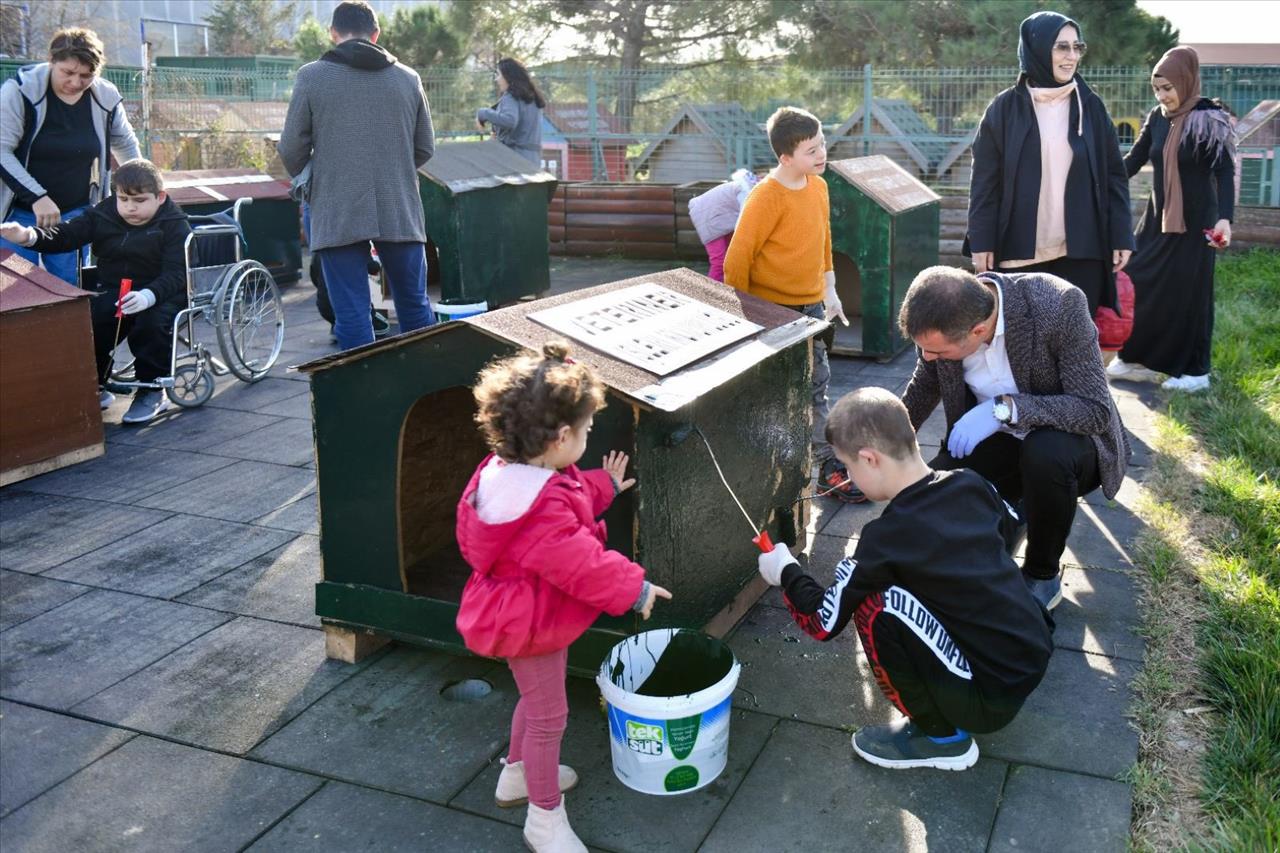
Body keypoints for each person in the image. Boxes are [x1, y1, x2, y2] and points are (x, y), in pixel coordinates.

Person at [757, 388, 1053, 771]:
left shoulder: (884, 540)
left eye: (848, 467)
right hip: (1028, 657)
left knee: (879, 605)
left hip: (987, 698)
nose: (848, 477)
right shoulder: (970, 483)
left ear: (869, 458)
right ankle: (964, 693)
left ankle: (940, 737)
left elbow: (823, 621)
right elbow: (1010, 531)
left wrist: (785, 571)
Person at [455, 341, 671, 853]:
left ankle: (515, 775)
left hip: (522, 610)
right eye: (587, 430)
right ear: (558, 438)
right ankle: (544, 820)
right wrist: (634, 587)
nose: (590, 436)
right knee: (550, 717)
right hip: (530, 622)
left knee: (535, 702)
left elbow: (564, 499)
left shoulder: (509, 472)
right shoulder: (539, 509)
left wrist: (605, 487)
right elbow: (580, 560)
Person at [898, 266, 1129, 610]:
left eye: (938, 353)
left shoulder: (1059, 303)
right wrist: (885, 442)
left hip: (1069, 442)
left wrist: (1005, 410)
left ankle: (1042, 573)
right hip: (1001, 442)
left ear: (978, 330)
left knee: (1044, 454)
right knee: (937, 492)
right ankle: (1013, 518)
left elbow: (1094, 410)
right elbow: (923, 388)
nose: (928, 357)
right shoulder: (945, 321)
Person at [278, 0, 436, 351]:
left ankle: (365, 397)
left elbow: (291, 148)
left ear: (334, 34)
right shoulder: (408, 78)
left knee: (351, 314)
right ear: (376, 34)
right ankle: (425, 388)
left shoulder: (311, 76)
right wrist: (392, 168)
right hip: (399, 205)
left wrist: (319, 176)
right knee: (414, 306)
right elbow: (425, 147)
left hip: (337, 207)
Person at [723, 106, 862, 503]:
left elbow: (822, 243)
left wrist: (830, 290)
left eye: (822, 144)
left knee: (818, 386)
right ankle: (769, 471)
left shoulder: (818, 186)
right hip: (771, 312)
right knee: (773, 392)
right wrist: (745, 317)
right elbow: (737, 259)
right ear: (785, 157)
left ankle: (827, 468)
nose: (821, 154)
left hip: (811, 309)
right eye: (811, 150)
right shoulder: (766, 196)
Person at [966, 10, 1133, 318]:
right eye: (1062, 47)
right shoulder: (1003, 110)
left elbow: (1114, 176)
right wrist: (981, 241)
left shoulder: (1091, 106)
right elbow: (984, 184)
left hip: (1082, 250)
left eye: (1077, 47)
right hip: (1019, 250)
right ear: (1037, 48)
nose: (1072, 56)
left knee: (1074, 340)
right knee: (1022, 344)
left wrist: (1122, 234)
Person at [1, 159, 191, 425]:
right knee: (92, 321)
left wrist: (149, 295)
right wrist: (28, 236)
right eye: (123, 199)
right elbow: (66, 235)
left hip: (163, 291)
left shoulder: (174, 223)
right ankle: (95, 383)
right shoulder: (103, 214)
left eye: (139, 200)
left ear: (161, 197)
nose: (129, 207)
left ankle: (151, 389)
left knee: (150, 325)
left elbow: (176, 273)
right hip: (115, 288)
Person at [1106, 46, 1234, 393]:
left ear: (1185, 80)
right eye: (1157, 89)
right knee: (1135, 277)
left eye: (1168, 88)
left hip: (1197, 225)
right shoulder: (1157, 117)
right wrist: (1099, 181)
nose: (1163, 95)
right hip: (1156, 220)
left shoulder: (1209, 117)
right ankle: (1135, 358)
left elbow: (1223, 172)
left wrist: (1225, 220)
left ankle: (1195, 371)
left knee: (1189, 294)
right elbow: (1133, 160)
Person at [0, 27, 139, 285]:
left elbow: (126, 144)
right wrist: (37, 197)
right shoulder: (19, 92)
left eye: (86, 75)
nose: (76, 83)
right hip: (15, 214)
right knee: (15, 291)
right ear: (52, 61)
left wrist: (141, 186)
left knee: (69, 290)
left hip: (73, 215)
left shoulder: (105, 97)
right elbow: (1, 150)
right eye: (68, 72)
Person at [687, 168, 759, 282]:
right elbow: (744, 220)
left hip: (720, 216)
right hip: (708, 217)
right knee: (719, 261)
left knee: (731, 257)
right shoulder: (746, 192)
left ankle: (727, 286)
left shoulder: (749, 188)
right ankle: (711, 293)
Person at [476, 58, 546, 165]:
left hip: (514, 161)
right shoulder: (533, 98)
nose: (497, 79)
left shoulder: (511, 96)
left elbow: (509, 121)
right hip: (533, 161)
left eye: (498, 75)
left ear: (508, 77)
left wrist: (483, 113)